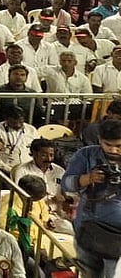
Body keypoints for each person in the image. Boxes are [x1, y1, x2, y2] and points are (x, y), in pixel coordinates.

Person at [63, 118, 121, 276]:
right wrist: (88, 178)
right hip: (87, 228)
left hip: (118, 236)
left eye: (119, 146)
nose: (113, 150)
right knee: (87, 273)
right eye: (108, 145)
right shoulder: (86, 155)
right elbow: (65, 184)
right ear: (100, 140)